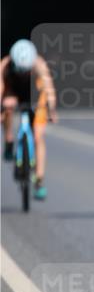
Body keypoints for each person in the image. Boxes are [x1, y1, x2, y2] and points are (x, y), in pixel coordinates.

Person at [1, 39, 57, 199]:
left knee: (39, 136)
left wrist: (51, 109)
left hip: (34, 94)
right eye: (19, 70)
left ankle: (39, 180)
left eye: (26, 71)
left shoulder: (38, 64)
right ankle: (9, 139)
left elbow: (49, 87)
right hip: (12, 92)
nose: (23, 74)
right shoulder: (5, 65)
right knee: (7, 109)